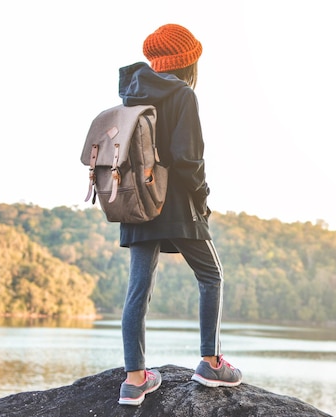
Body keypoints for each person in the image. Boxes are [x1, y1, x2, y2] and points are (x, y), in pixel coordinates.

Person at [116, 23, 242, 406]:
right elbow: (188, 160)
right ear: (188, 62)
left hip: (137, 203)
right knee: (211, 274)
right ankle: (210, 362)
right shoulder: (183, 94)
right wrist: (202, 198)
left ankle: (135, 379)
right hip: (176, 203)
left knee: (139, 288)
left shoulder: (132, 93)